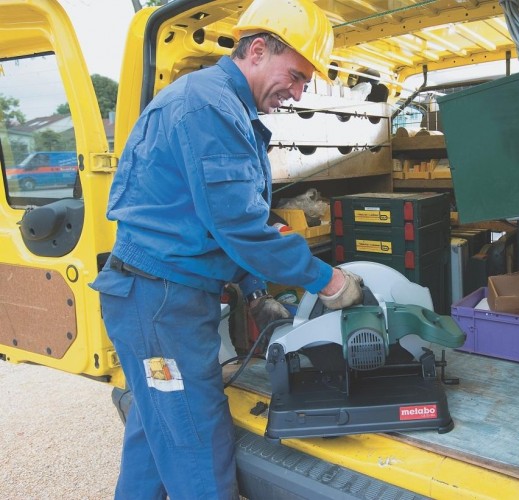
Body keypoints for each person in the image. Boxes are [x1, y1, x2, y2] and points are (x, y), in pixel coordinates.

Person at [90, 0, 364, 498]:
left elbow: (224, 217)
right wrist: (330, 281)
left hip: (156, 299)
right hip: (160, 307)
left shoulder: (222, 104)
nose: (297, 93)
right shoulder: (209, 109)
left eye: (305, 84)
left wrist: (255, 290)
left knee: (155, 432)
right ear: (257, 50)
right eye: (296, 76)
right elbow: (239, 227)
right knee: (197, 445)